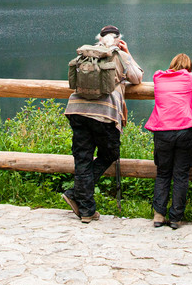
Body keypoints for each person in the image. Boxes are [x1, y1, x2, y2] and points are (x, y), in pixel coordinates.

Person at [61, 25, 142, 223]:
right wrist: (128, 53)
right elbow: (137, 78)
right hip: (104, 115)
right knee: (110, 153)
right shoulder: (120, 55)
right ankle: (75, 195)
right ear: (118, 39)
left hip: (76, 110)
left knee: (83, 159)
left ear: (99, 38)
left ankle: (86, 209)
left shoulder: (86, 54)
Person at [144, 53, 192, 229]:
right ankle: (176, 217)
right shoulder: (189, 77)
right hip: (185, 129)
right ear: (188, 67)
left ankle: (159, 215)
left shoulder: (158, 76)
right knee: (181, 175)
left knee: (162, 172)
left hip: (163, 131)